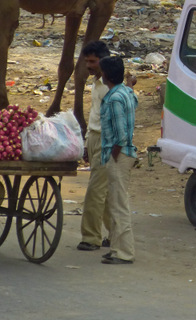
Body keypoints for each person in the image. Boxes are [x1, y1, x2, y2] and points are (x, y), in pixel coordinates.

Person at [98, 55, 138, 264]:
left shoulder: (113, 99)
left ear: (105, 75)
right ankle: (115, 247)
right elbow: (132, 96)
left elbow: (121, 135)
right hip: (124, 154)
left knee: (119, 204)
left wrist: (113, 154)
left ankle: (123, 253)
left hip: (119, 155)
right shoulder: (125, 92)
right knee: (114, 202)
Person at [77, 40, 113, 252]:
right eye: (87, 61)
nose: (89, 66)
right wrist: (86, 143)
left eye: (92, 61)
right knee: (105, 192)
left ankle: (91, 238)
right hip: (94, 138)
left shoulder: (110, 86)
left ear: (103, 60)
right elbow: (95, 115)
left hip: (105, 141)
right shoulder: (96, 82)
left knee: (95, 191)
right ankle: (114, 233)